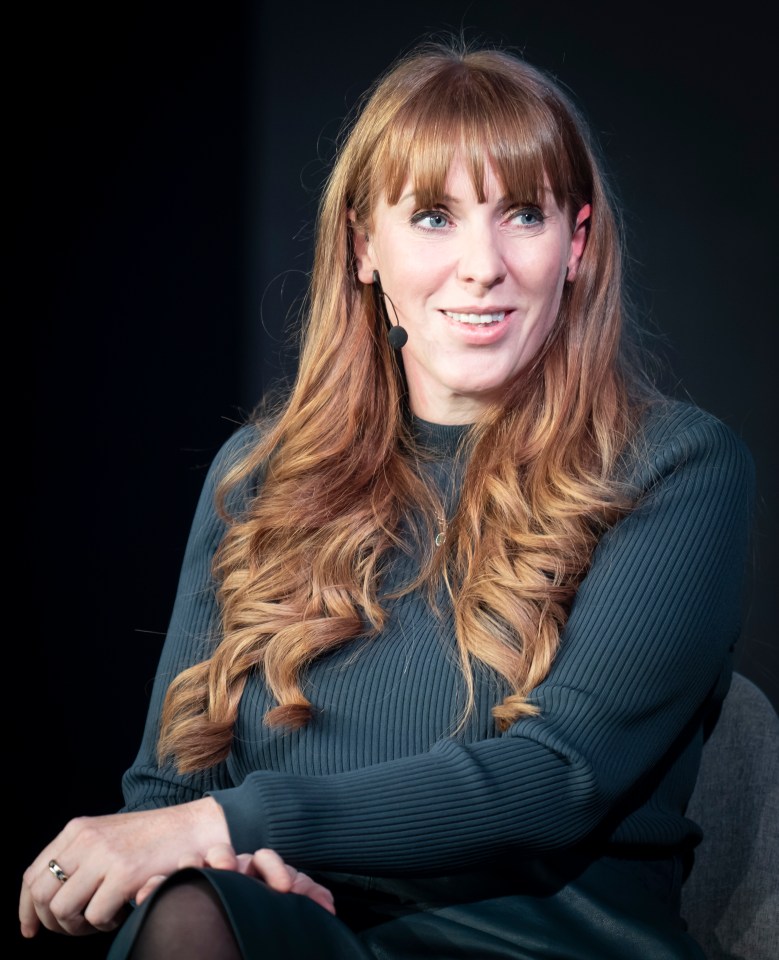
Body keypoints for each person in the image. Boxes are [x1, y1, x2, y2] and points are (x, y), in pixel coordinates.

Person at [21, 37, 755, 959]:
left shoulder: (675, 467)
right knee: (187, 911)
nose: (482, 264)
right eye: (436, 217)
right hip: (295, 928)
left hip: (538, 943)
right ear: (365, 246)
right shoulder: (259, 476)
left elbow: (557, 776)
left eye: (521, 215)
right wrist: (232, 859)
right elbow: (170, 796)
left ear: (575, 245)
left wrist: (236, 825)